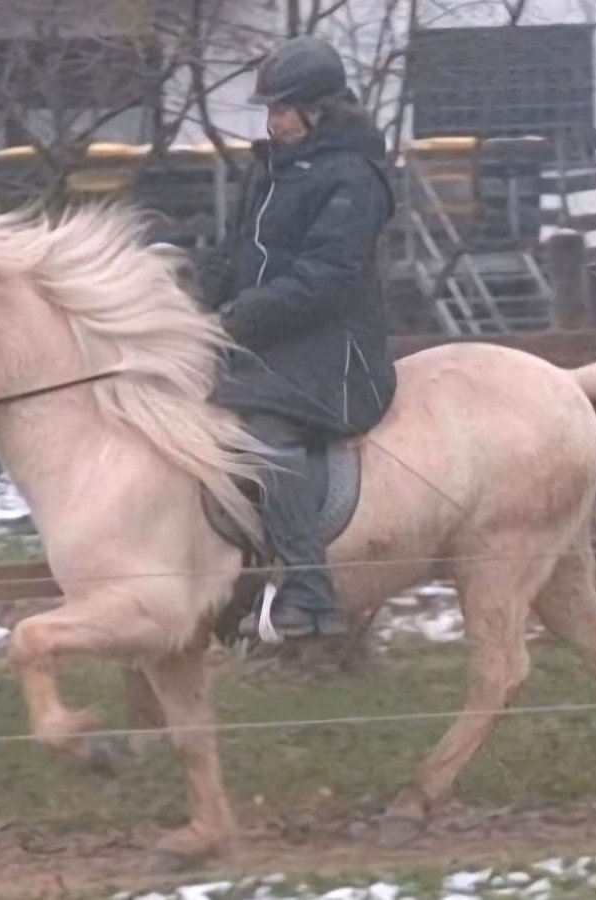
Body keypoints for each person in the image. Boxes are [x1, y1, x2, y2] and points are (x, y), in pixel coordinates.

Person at [196, 36, 398, 639]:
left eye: (282, 109)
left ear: (319, 109)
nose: (272, 120)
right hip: (274, 341)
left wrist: (235, 318)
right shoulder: (271, 171)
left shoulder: (355, 179)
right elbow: (236, 258)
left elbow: (327, 280)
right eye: (270, 110)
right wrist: (179, 298)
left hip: (335, 354)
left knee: (264, 433)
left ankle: (309, 590)